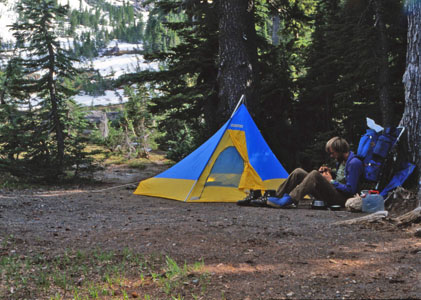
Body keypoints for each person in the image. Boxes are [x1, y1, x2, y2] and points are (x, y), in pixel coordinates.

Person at [238, 137, 364, 208]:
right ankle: (275, 196)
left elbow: (350, 190)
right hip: (335, 193)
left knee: (314, 174)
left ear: (341, 150)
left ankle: (289, 200)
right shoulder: (342, 161)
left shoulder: (354, 163)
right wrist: (330, 173)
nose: (331, 156)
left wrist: (330, 181)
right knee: (298, 172)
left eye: (332, 153)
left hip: (342, 200)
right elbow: (342, 177)